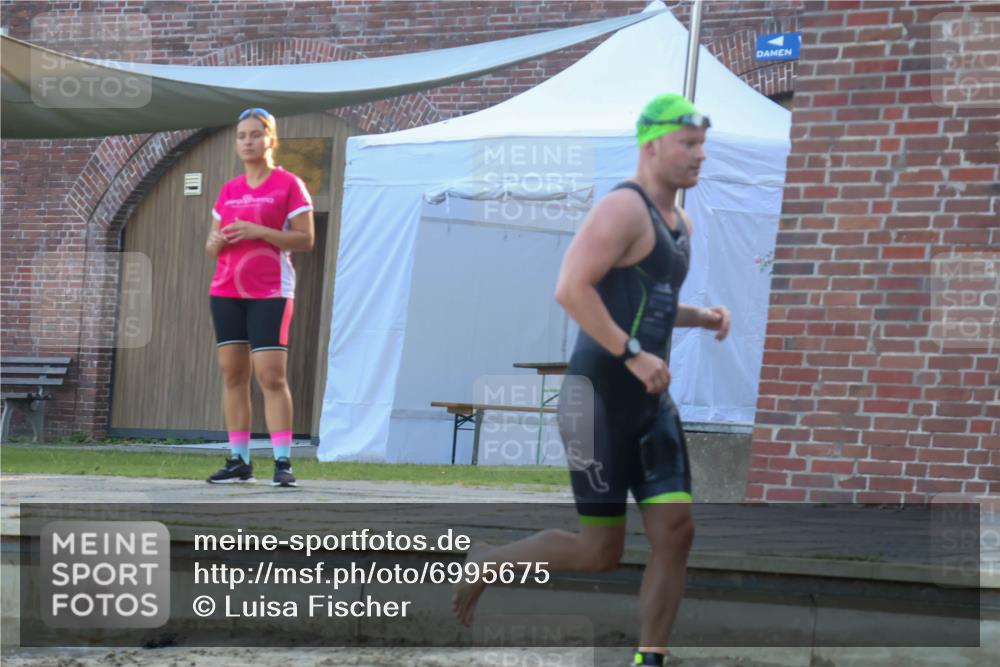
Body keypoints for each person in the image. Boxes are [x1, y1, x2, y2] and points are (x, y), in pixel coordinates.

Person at [452, 94, 731, 666]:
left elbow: (646, 302)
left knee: (676, 530)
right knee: (599, 551)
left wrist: (698, 316)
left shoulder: (682, 223)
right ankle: (490, 562)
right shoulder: (621, 210)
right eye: (689, 144)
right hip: (596, 399)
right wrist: (632, 354)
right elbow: (572, 289)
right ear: (652, 143)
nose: (700, 156)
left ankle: (649, 658)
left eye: (703, 144)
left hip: (651, 401)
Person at [204, 107, 315, 488]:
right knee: (233, 374)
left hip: (270, 291)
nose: (247, 142)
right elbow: (211, 245)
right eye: (241, 136)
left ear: (270, 139)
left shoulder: (288, 184)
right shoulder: (228, 189)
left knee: (270, 375)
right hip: (225, 289)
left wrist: (259, 230)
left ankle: (283, 462)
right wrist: (215, 241)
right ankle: (239, 459)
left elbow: (305, 239)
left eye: (254, 134)